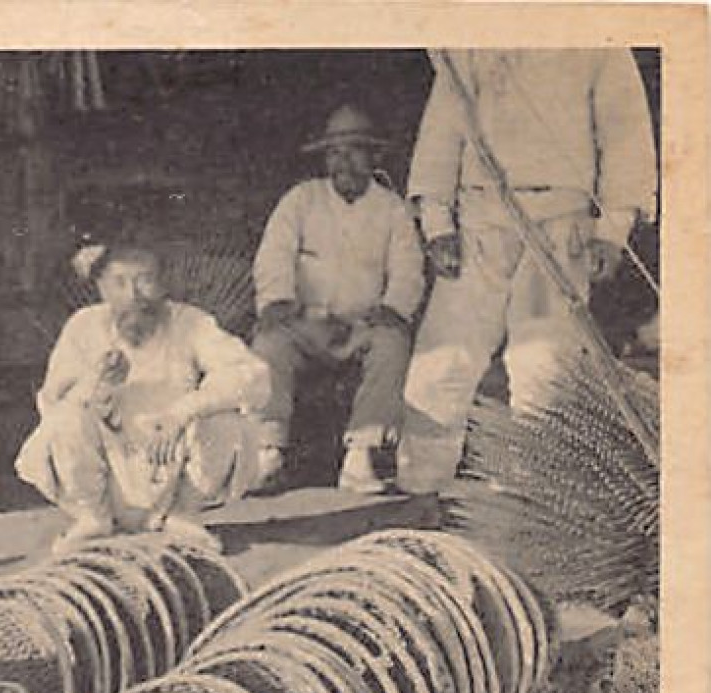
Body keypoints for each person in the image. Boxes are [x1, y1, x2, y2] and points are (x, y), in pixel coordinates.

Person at [397, 48, 658, 494]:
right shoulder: (472, 42)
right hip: (480, 217)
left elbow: (624, 134)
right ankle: (423, 487)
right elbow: (442, 128)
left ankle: (532, 497)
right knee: (443, 357)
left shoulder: (597, 41)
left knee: (543, 363)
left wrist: (612, 229)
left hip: (560, 225)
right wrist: (437, 222)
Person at [15, 243, 271, 550]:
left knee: (228, 421)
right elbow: (53, 401)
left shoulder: (191, 323)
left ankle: (183, 516)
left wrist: (182, 412)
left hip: (174, 468)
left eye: (145, 281)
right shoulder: (84, 326)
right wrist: (99, 387)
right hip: (105, 473)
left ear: (163, 284)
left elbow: (252, 374)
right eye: (120, 283)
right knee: (65, 421)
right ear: (102, 289)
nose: (133, 295)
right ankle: (93, 518)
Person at [250, 104, 426, 494]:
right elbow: (274, 255)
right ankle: (267, 451)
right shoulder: (301, 200)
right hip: (305, 323)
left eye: (354, 151)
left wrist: (392, 308)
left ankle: (360, 456)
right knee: (268, 343)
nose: (343, 162)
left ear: (374, 156)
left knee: (391, 344)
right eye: (334, 152)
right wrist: (279, 300)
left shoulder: (392, 209)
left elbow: (408, 268)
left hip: (362, 325)